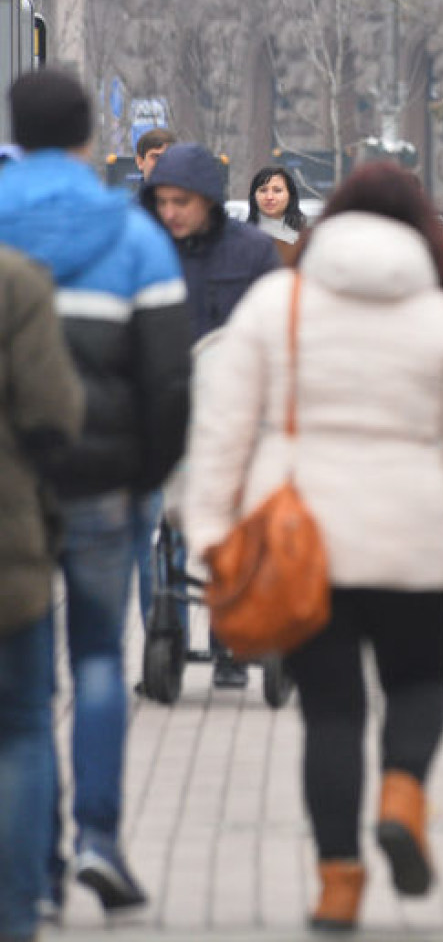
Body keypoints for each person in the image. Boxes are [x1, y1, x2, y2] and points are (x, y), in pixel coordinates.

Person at [183, 163, 443, 934]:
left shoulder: (278, 302)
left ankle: (337, 883)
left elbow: (224, 426)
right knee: (419, 684)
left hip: (306, 540)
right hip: (418, 539)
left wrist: (208, 530)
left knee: (331, 715)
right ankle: (402, 795)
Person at [0, 68, 192, 919]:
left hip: (11, 490)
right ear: (90, 139)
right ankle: (100, 840)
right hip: (106, 487)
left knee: (27, 697)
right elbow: (168, 379)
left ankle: (34, 871)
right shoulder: (136, 234)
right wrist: (146, 477)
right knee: (101, 660)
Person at [141, 142, 282, 689]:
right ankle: (166, 630)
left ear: (208, 201)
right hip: (170, 412)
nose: (170, 213)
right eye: (162, 202)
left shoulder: (251, 253)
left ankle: (232, 638)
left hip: (237, 414)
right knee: (171, 533)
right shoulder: (150, 250)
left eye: (181, 202)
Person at [0, 249, 85, 942]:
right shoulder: (17, 282)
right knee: (25, 725)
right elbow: (55, 412)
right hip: (10, 542)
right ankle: (21, 902)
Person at [129, 126, 175, 652]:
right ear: (139, 162)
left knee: (176, 527)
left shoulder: (193, 223)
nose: (160, 165)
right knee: (148, 527)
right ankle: (157, 634)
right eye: (154, 158)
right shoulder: (126, 223)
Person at [246, 165, 307, 261]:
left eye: (277, 190)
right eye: (263, 190)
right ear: (254, 196)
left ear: (290, 196)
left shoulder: (305, 239)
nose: (269, 197)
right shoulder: (244, 240)